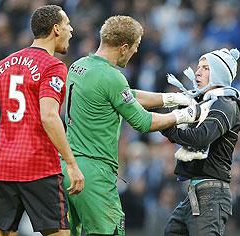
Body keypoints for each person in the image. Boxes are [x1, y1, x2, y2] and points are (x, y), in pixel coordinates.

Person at [61, 15, 202, 236]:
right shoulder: (112, 77)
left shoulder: (79, 66)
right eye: (135, 47)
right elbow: (143, 122)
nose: (136, 52)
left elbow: (126, 95)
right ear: (124, 47)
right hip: (95, 174)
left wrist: (170, 99)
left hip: (68, 168)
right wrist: (184, 115)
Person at [0, 5, 84, 236]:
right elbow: (49, 116)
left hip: (4, 167)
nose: (71, 30)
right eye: (67, 25)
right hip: (40, 168)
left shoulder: (3, 65)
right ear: (56, 29)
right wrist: (71, 164)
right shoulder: (52, 67)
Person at [161, 48, 240, 236]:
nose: (197, 72)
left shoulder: (226, 104)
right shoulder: (203, 103)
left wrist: (166, 125)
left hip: (211, 194)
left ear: (220, 74)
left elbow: (200, 138)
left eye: (206, 68)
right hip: (196, 193)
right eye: (199, 67)